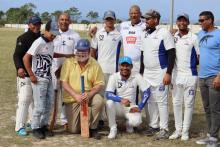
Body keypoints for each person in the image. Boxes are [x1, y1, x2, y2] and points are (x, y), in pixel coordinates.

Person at [23, 19, 71, 139]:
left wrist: (65, 55)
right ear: (46, 30)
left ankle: (44, 125)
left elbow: (51, 54)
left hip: (48, 78)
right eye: (52, 33)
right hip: (38, 79)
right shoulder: (38, 42)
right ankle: (35, 127)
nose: (54, 36)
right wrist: (31, 75)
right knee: (39, 106)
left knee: (49, 104)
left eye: (55, 34)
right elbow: (26, 58)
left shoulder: (51, 42)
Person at [141, 10, 176, 140]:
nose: (146, 21)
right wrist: (141, 73)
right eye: (145, 19)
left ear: (156, 20)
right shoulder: (144, 34)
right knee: (150, 100)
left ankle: (164, 129)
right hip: (147, 73)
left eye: (148, 19)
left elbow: (172, 54)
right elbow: (143, 55)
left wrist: (168, 73)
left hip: (160, 72)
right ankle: (153, 126)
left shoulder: (164, 33)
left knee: (161, 101)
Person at [60, 39, 105, 140]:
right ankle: (84, 121)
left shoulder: (94, 63)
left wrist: (89, 95)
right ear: (75, 51)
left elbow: (99, 84)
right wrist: (76, 96)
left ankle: (93, 127)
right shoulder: (68, 63)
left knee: (99, 100)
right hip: (73, 98)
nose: (81, 54)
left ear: (89, 51)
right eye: (79, 51)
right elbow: (64, 82)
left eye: (84, 51)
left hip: (88, 96)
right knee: (74, 130)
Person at [168, 13, 199, 141]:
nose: (181, 23)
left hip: (190, 76)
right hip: (176, 76)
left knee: (189, 104)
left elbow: (198, 57)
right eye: (179, 20)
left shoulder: (194, 37)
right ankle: (178, 130)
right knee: (176, 103)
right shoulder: (172, 36)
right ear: (177, 22)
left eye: (184, 20)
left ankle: (185, 131)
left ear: (188, 22)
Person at [105, 56, 151, 139]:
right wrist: (121, 99)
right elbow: (108, 94)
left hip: (130, 107)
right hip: (118, 106)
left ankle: (128, 124)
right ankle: (113, 128)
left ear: (131, 66)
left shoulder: (136, 75)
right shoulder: (114, 76)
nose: (124, 68)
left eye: (127, 66)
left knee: (136, 122)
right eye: (122, 65)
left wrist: (140, 107)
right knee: (109, 102)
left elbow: (147, 91)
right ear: (119, 66)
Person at [90, 10, 122, 124]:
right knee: (99, 96)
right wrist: (94, 65)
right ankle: (100, 119)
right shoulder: (98, 33)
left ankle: (111, 119)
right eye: (107, 19)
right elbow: (93, 50)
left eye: (111, 19)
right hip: (100, 70)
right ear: (104, 20)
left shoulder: (119, 34)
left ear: (114, 20)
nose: (109, 21)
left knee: (111, 96)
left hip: (113, 71)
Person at [13, 15, 42, 136]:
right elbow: (16, 55)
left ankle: (32, 121)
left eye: (38, 24)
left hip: (38, 74)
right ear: (29, 25)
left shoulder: (42, 38)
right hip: (24, 74)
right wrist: (19, 67)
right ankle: (19, 126)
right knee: (24, 99)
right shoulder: (23, 38)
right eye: (34, 24)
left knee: (35, 101)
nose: (36, 26)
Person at [52, 13, 80, 128]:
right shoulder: (53, 33)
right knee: (52, 96)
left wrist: (63, 67)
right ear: (58, 21)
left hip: (69, 70)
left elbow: (76, 54)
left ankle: (65, 120)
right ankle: (51, 120)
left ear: (70, 21)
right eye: (62, 19)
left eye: (66, 20)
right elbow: (49, 51)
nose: (64, 22)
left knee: (66, 96)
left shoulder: (75, 35)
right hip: (52, 70)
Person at [196, 11, 220, 145]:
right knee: (206, 107)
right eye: (199, 20)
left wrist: (219, 76)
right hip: (202, 76)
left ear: (210, 20)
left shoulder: (219, 34)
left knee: (215, 108)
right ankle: (210, 134)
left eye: (202, 20)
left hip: (214, 77)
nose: (200, 23)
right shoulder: (200, 34)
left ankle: (214, 138)